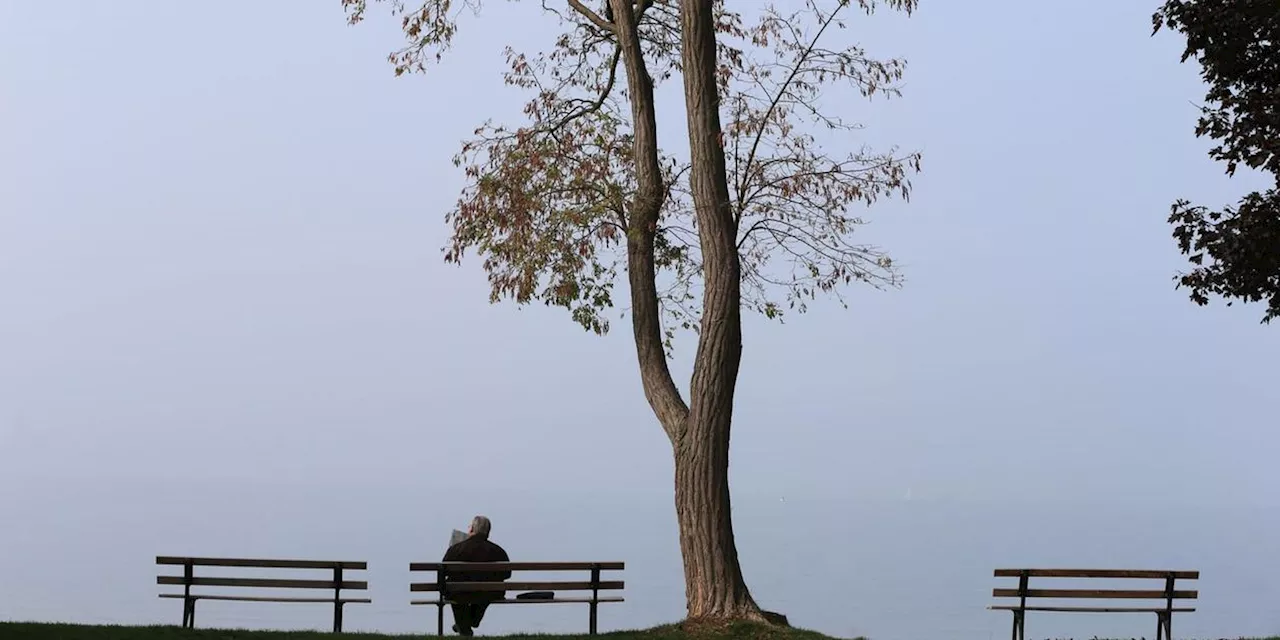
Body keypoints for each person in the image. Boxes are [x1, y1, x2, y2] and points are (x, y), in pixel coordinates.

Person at [442, 515, 510, 636]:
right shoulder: (498, 551)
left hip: (460, 593)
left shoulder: (456, 548)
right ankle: (472, 620)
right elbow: (507, 574)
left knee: (455, 591)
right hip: (488, 593)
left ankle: (464, 627)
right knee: (485, 592)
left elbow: (444, 571)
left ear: (472, 529)